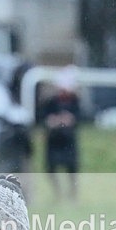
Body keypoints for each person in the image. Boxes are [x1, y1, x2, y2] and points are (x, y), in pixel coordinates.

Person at [42, 67, 81, 200]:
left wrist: (69, 120)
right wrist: (54, 121)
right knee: (51, 168)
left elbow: (80, 118)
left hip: (68, 140)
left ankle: (73, 195)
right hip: (53, 140)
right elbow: (44, 119)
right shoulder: (51, 102)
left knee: (72, 168)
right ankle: (58, 194)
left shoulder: (75, 101)